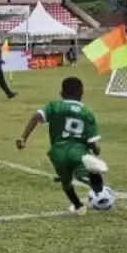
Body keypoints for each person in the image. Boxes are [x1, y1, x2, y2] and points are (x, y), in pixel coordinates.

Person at [15, 76, 105, 216]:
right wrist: (96, 150)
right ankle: (94, 179)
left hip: (57, 152)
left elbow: (36, 117)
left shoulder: (54, 107)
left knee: (66, 182)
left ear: (61, 93)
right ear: (81, 93)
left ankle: (79, 206)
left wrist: (23, 138)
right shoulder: (87, 113)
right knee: (88, 179)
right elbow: (91, 142)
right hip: (78, 151)